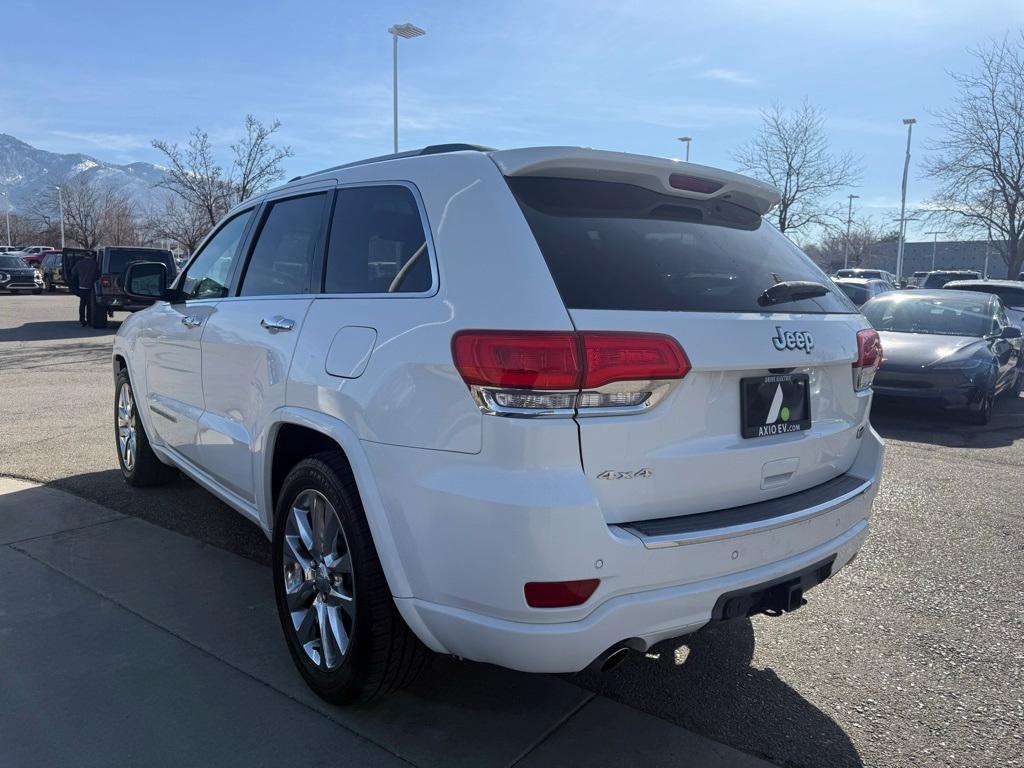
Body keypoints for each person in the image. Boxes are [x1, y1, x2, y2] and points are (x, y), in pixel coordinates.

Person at [68, 253, 99, 327]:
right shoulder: (94, 264)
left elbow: (73, 273)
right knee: (89, 305)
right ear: (91, 256)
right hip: (91, 287)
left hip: (82, 287)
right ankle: (89, 320)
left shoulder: (79, 263)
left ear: (84, 256)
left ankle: (82, 320)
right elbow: (98, 274)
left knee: (82, 304)